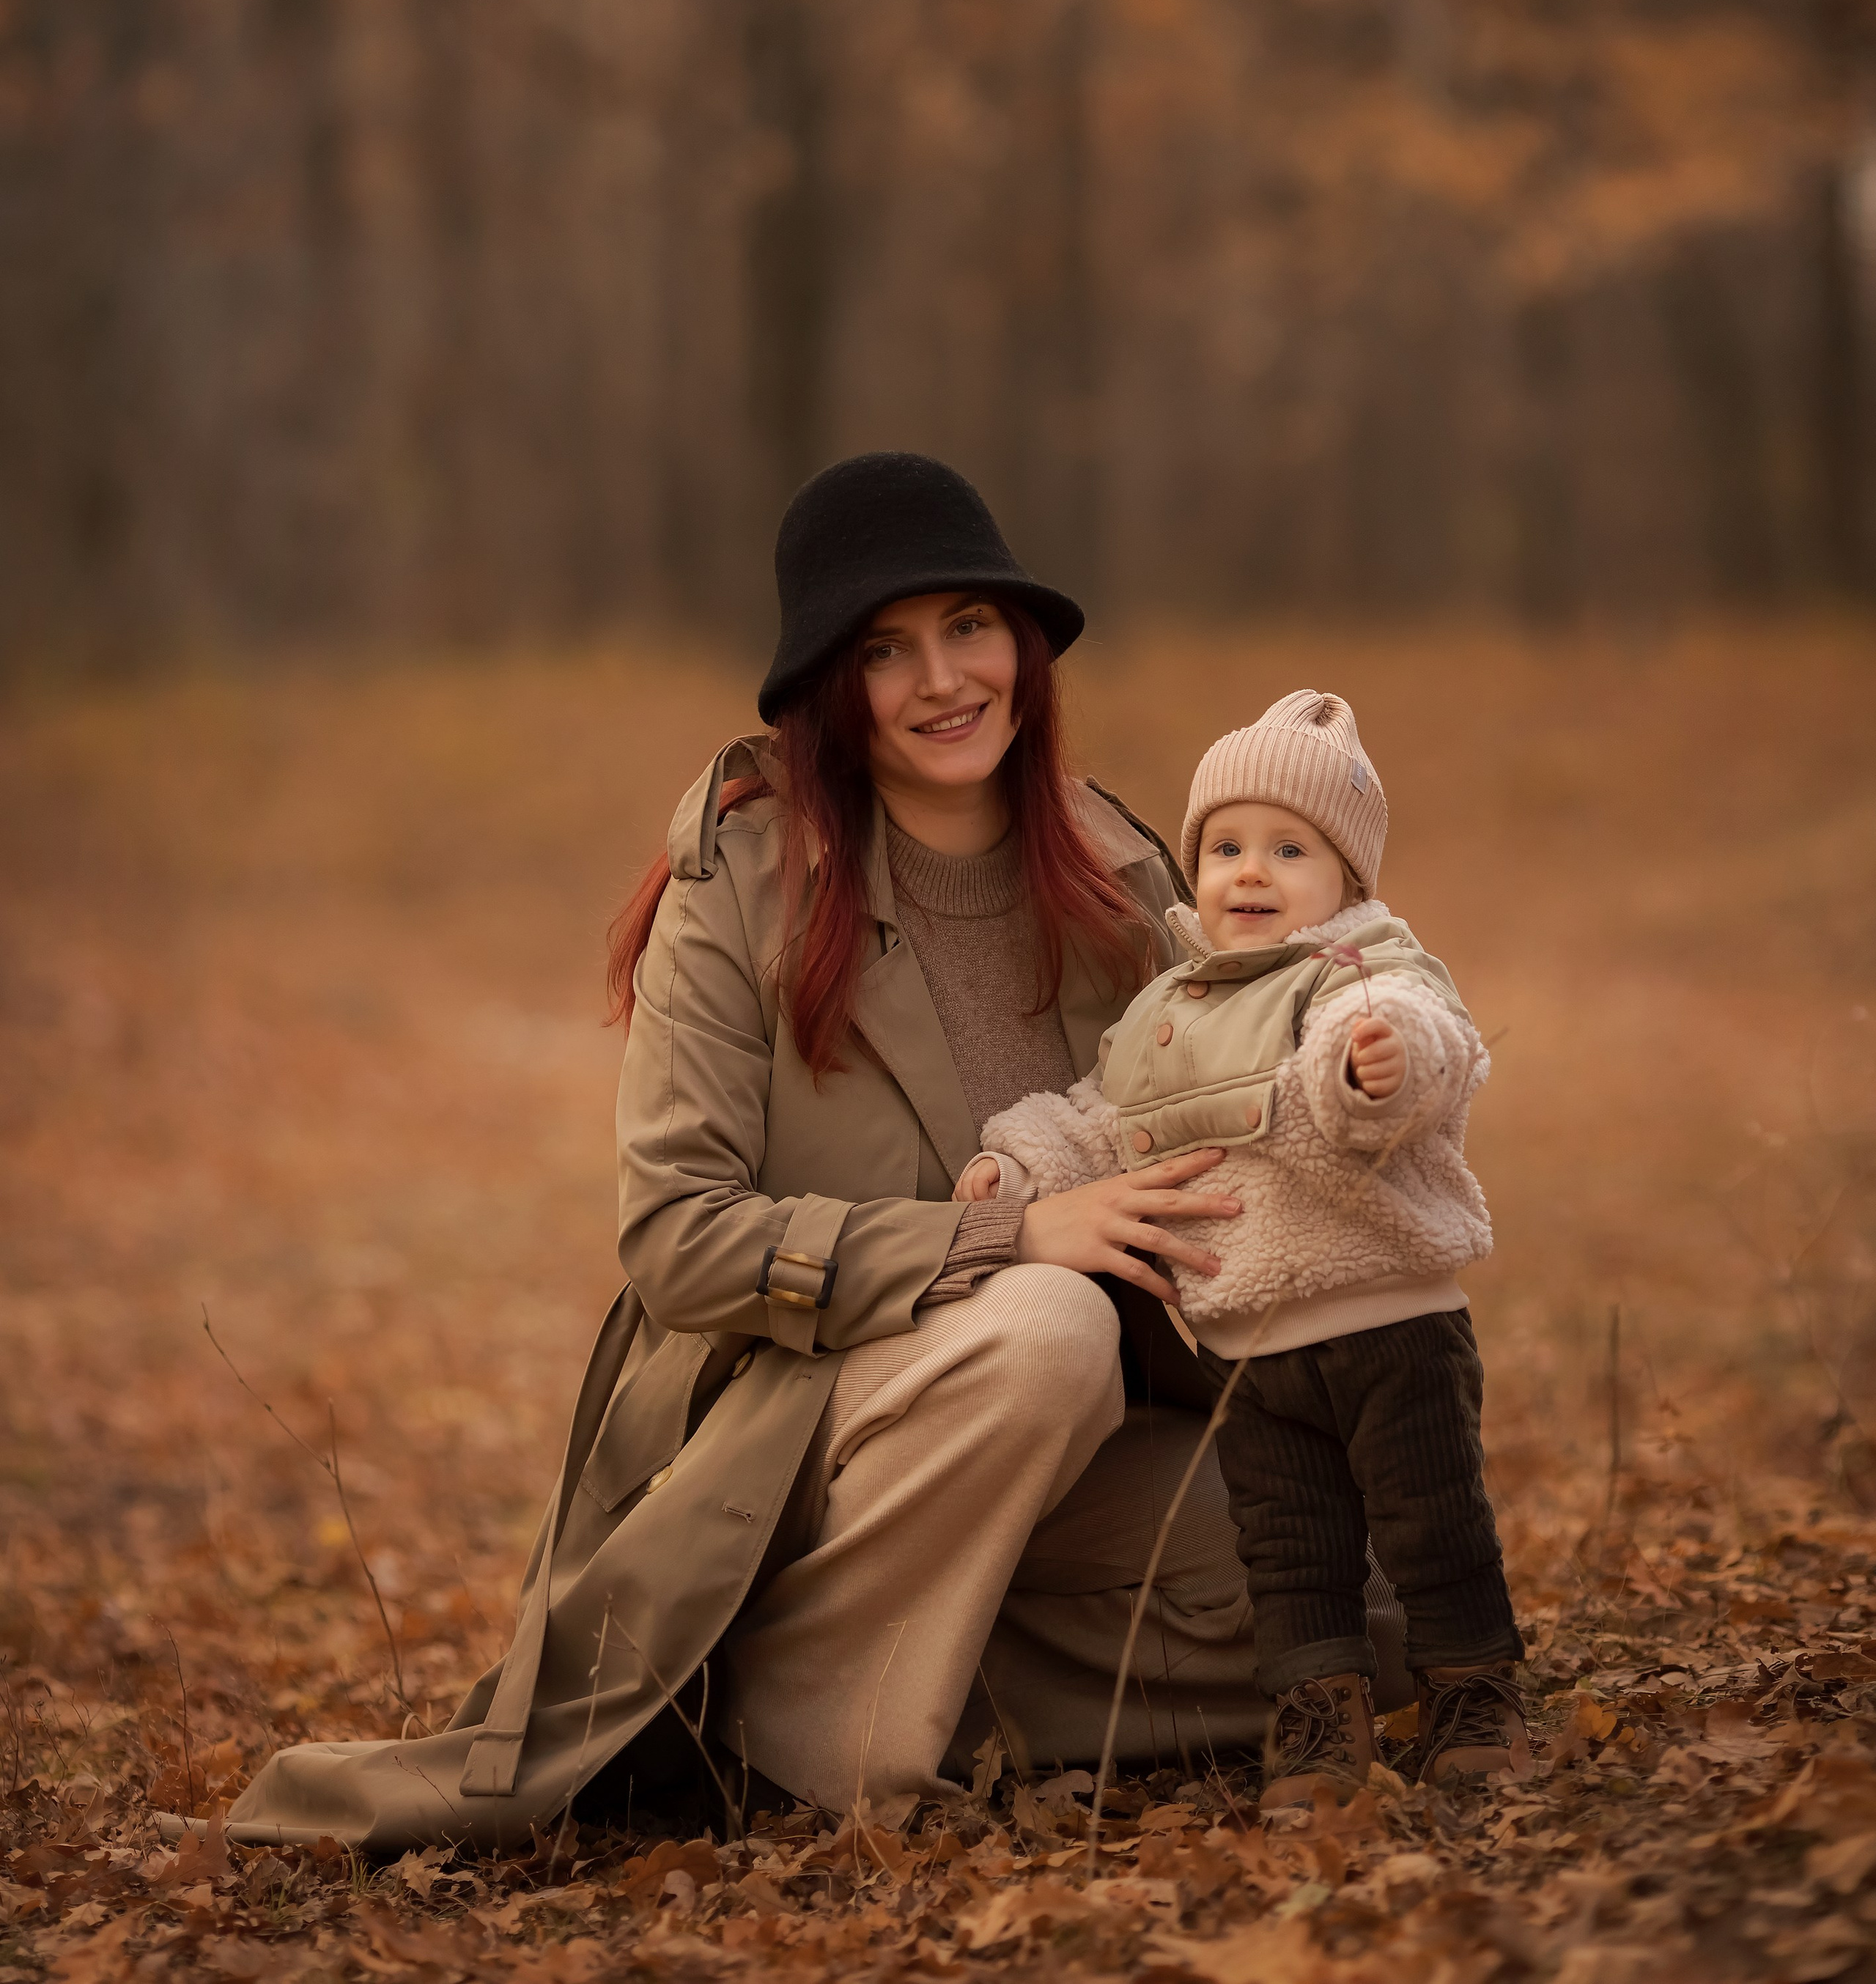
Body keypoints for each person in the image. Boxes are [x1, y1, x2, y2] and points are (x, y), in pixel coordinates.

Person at [225, 454, 1408, 1853]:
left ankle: (821, 1691)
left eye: (968, 625)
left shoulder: (1127, 869)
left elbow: (1249, 1129)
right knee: (1041, 1330)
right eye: (882, 649)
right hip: (802, 1431)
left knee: (1363, 1622)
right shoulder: (740, 886)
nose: (941, 679)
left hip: (1084, 1434)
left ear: (1022, 647)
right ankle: (824, 1737)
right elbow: (677, 1234)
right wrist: (1002, 1238)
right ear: (827, 689)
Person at [959, 688, 1529, 1807]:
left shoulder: (1363, 977)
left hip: (1389, 1325)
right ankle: (1320, 1719)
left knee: (1433, 1523)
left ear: (1348, 881)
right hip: (1248, 1346)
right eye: (1224, 847)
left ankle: (1477, 1695)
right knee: (1290, 1550)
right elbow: (1098, 1112)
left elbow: (1433, 1049)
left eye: (1287, 848)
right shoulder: (1172, 1008)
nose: (1249, 872)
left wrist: (1380, 1067)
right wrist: (1020, 1166)